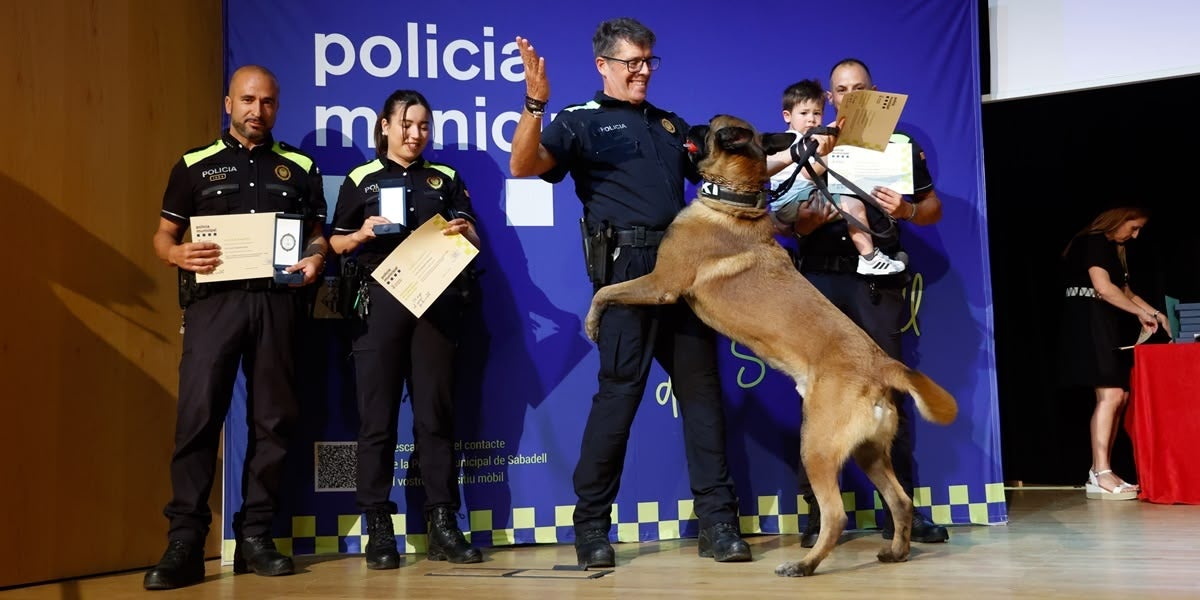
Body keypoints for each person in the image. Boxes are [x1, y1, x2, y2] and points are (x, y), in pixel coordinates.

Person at [509, 18, 752, 567]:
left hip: (683, 266)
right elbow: (522, 166)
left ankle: (718, 524)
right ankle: (591, 528)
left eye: (649, 61)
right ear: (603, 66)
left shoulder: (670, 125)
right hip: (626, 273)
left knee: (703, 395)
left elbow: (725, 168)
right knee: (619, 395)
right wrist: (533, 103)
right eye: (633, 62)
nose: (643, 70)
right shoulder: (578, 121)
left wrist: (799, 152)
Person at [144, 65, 328, 590]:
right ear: (229, 103)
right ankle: (184, 541)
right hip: (213, 306)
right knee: (198, 418)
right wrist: (178, 253)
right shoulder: (194, 165)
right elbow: (162, 236)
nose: (257, 110)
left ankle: (255, 535)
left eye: (267, 102)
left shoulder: (299, 166)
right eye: (248, 100)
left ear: (277, 107)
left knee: (273, 422)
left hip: (277, 307)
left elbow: (316, 235)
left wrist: (315, 261)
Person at [774, 58, 948, 547]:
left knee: (886, 391)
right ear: (829, 99)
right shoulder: (810, 141)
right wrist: (799, 224)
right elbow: (781, 217)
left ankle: (901, 512)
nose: (849, 97)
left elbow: (932, 208)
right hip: (819, 286)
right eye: (840, 90)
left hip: (876, 282)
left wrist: (908, 208)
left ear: (875, 92)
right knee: (815, 394)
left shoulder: (899, 145)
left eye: (859, 88)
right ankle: (818, 512)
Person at [329, 90, 483, 568]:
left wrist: (465, 232)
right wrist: (360, 234)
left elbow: (475, 234)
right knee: (376, 421)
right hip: (378, 306)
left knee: (435, 417)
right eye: (406, 125)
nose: (415, 135)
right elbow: (334, 241)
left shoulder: (447, 178)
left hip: (436, 303)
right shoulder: (361, 178)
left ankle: (442, 522)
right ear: (384, 127)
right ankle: (378, 526)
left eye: (423, 126)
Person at [1058, 206, 1167, 500]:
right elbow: (1103, 288)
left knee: (1120, 395)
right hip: (1088, 323)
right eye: (1133, 227)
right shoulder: (1093, 241)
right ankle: (1100, 472)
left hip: (1103, 324)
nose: (1135, 235)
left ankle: (1101, 469)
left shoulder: (1113, 248)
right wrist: (1140, 315)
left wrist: (1155, 313)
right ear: (1120, 218)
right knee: (1111, 395)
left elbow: (1125, 291)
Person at [769, 79, 905, 275]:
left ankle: (872, 255)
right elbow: (809, 171)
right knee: (853, 205)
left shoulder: (808, 139)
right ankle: (869, 258)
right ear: (787, 116)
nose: (811, 120)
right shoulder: (795, 141)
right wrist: (834, 152)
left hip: (796, 202)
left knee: (853, 202)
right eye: (804, 113)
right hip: (796, 202)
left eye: (817, 113)